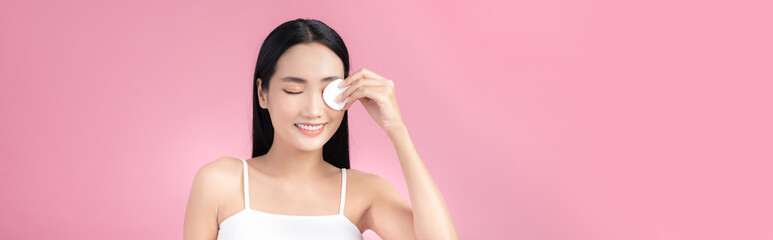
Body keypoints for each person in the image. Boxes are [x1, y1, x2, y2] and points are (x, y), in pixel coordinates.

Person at [183, 18, 458, 240]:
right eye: (294, 90)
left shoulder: (364, 191)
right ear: (262, 94)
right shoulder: (219, 182)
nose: (314, 110)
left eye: (329, 91)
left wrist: (397, 129)